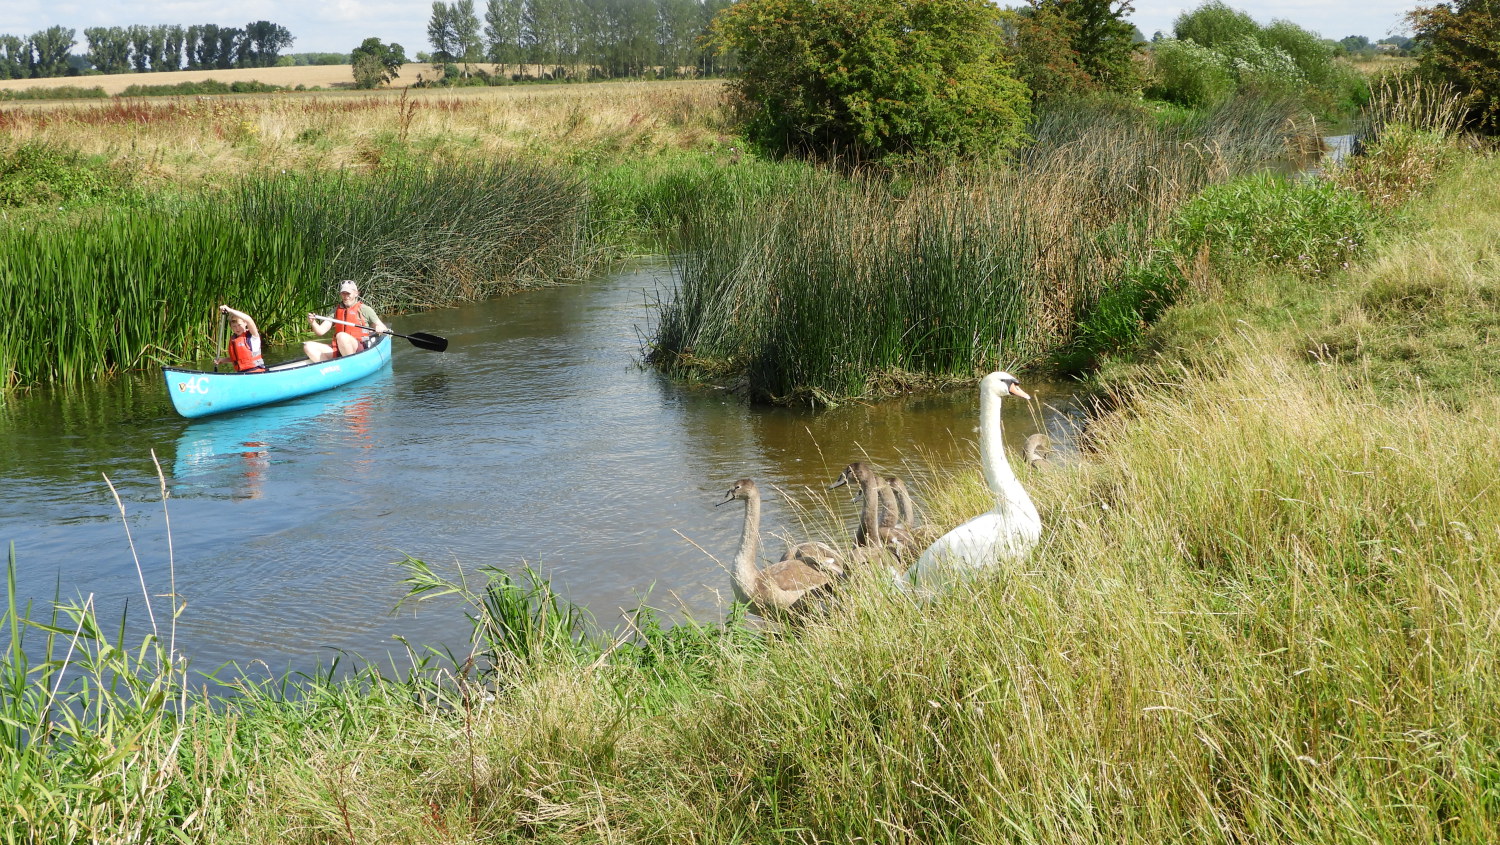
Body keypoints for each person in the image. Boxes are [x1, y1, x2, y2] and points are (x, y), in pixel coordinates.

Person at [304, 280, 389, 363]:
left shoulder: (365, 309)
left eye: (348, 293)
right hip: (338, 348)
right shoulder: (336, 311)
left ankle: (351, 365)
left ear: (356, 293)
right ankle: (331, 368)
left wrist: (379, 328)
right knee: (308, 346)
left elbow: (383, 328)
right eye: (343, 293)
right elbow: (320, 331)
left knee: (341, 336)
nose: (345, 296)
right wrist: (313, 322)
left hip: (359, 347)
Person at [217, 304, 266, 373]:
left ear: (245, 323)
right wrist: (223, 360)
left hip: (255, 371)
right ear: (231, 327)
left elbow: (249, 319)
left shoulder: (253, 335)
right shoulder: (234, 339)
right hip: (241, 372)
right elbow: (238, 358)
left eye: (239, 325)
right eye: (234, 326)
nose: (237, 328)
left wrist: (230, 310)